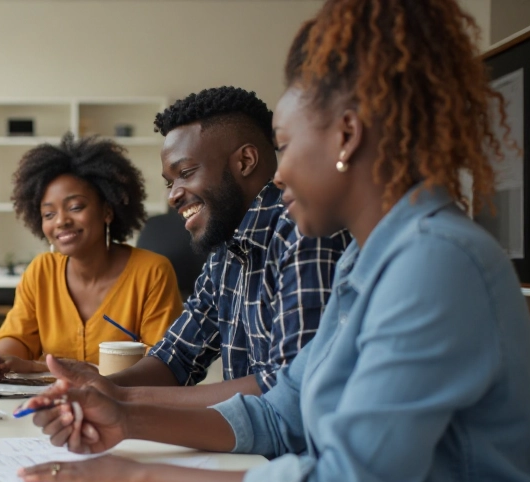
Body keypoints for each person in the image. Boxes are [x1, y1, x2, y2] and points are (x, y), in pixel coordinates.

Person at [20, 3, 530, 482]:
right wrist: (124, 415)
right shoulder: (368, 259)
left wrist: (135, 475)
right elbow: (280, 413)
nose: (278, 172)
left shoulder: (436, 263)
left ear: (347, 136)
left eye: (284, 146)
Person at [31, 88, 350, 417]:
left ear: (245, 161)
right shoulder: (225, 250)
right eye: (169, 183)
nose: (173, 196)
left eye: (184, 173)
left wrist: (126, 400)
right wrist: (104, 386)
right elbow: (177, 357)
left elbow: (285, 389)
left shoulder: (303, 232)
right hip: (250, 449)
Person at [0, 133, 183, 372]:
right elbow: (17, 338)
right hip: (51, 402)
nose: (61, 221)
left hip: (124, 404)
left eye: (75, 207)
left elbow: (160, 365)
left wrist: (44, 369)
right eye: (49, 214)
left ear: (107, 211)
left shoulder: (152, 272)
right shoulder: (41, 271)